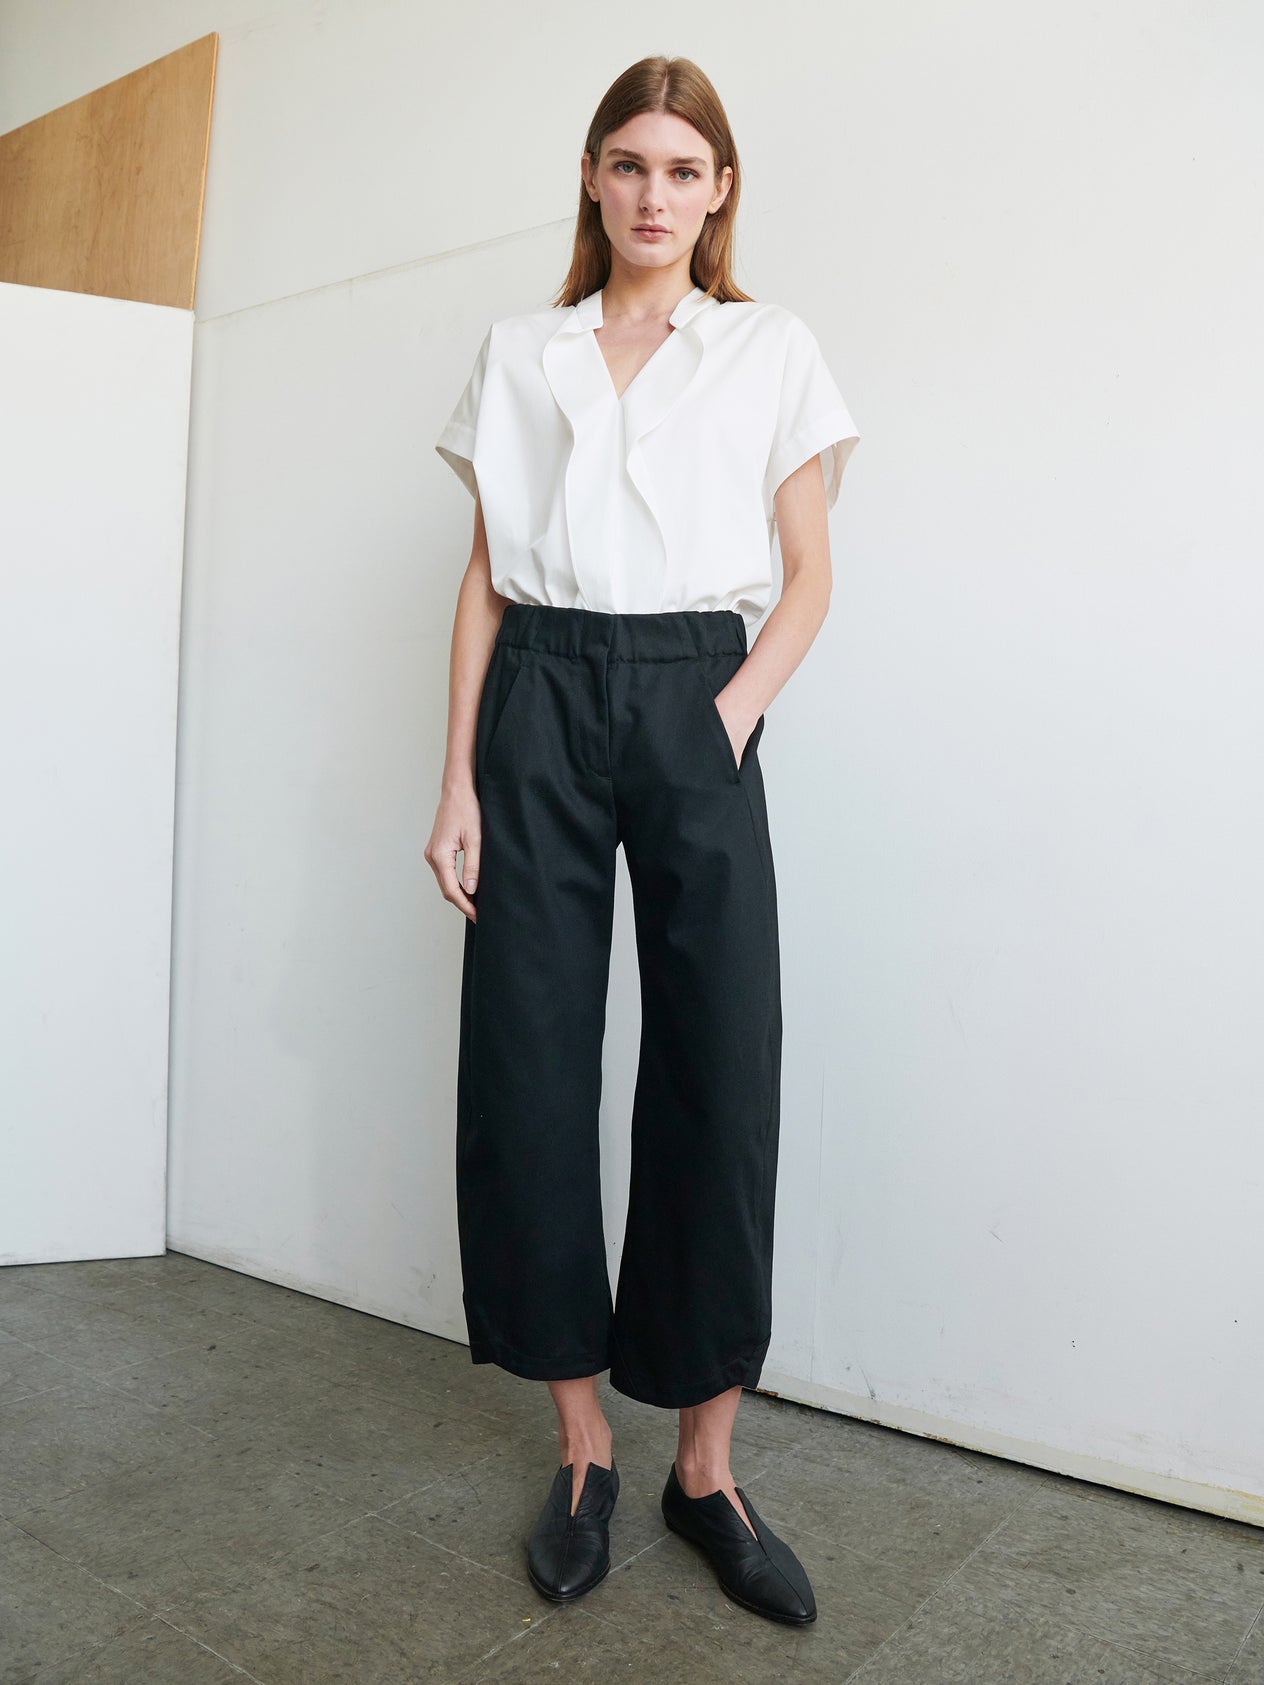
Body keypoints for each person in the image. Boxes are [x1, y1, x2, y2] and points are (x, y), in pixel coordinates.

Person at [425, 54, 859, 1626]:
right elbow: (483, 574)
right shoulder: (520, 349)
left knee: (717, 1068)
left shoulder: (769, 350)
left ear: (720, 189)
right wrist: (461, 776)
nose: (655, 194)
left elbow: (808, 572)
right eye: (628, 165)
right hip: (540, 693)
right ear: (594, 180)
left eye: (685, 169)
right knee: (528, 1058)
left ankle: (706, 1467)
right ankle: (585, 1443)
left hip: (695, 692)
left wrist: (726, 716)